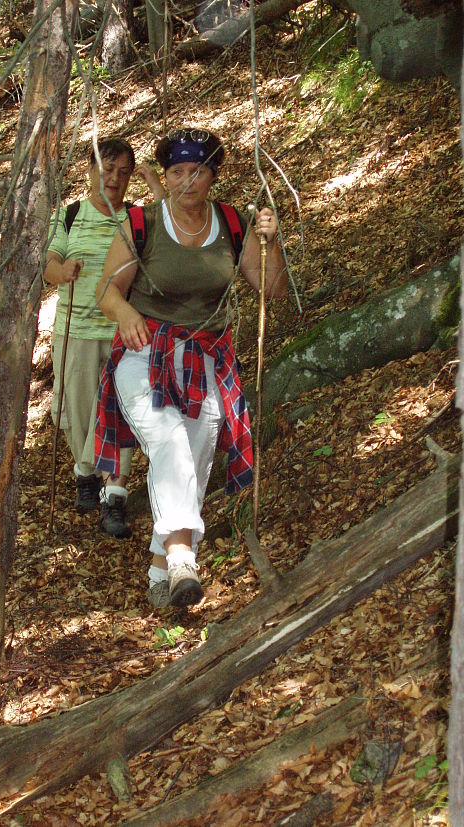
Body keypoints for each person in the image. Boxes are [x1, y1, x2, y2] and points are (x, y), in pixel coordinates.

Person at [94, 127, 288, 606]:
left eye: (197, 170)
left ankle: (163, 574)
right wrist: (126, 312)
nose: (186, 181)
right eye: (176, 171)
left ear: (212, 174)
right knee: (169, 441)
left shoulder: (231, 223)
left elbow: (272, 288)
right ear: (165, 175)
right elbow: (106, 292)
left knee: (198, 457)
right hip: (146, 352)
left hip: (206, 359)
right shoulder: (142, 223)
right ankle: (183, 555)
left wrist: (273, 241)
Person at [44, 137, 165, 538]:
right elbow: (48, 262)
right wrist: (62, 271)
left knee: (121, 410)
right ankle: (85, 471)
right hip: (75, 330)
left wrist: (157, 187)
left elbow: (171, 231)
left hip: (124, 332)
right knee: (79, 413)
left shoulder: (137, 217)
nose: (114, 178)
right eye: (107, 168)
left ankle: (114, 494)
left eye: (123, 172)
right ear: (90, 170)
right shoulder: (70, 215)